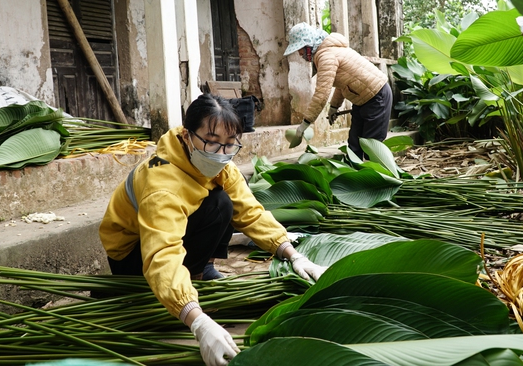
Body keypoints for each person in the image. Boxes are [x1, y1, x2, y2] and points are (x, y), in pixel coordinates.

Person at [99, 93, 326, 366]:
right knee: (217, 204)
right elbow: (162, 255)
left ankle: (200, 269)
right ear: (186, 136)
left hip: (170, 241)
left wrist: (292, 254)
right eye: (211, 141)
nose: (221, 153)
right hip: (132, 257)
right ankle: (161, 285)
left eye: (230, 145)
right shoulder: (161, 184)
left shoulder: (217, 164)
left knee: (223, 202)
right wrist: (196, 319)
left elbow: (250, 212)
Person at [284, 22, 392, 160]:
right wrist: (334, 107)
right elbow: (343, 84)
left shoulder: (326, 56)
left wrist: (304, 125)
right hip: (362, 100)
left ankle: (377, 179)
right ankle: (355, 178)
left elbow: (321, 95)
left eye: (300, 48)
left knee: (372, 147)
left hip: (378, 97)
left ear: (308, 46)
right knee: (355, 146)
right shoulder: (328, 52)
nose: (299, 54)